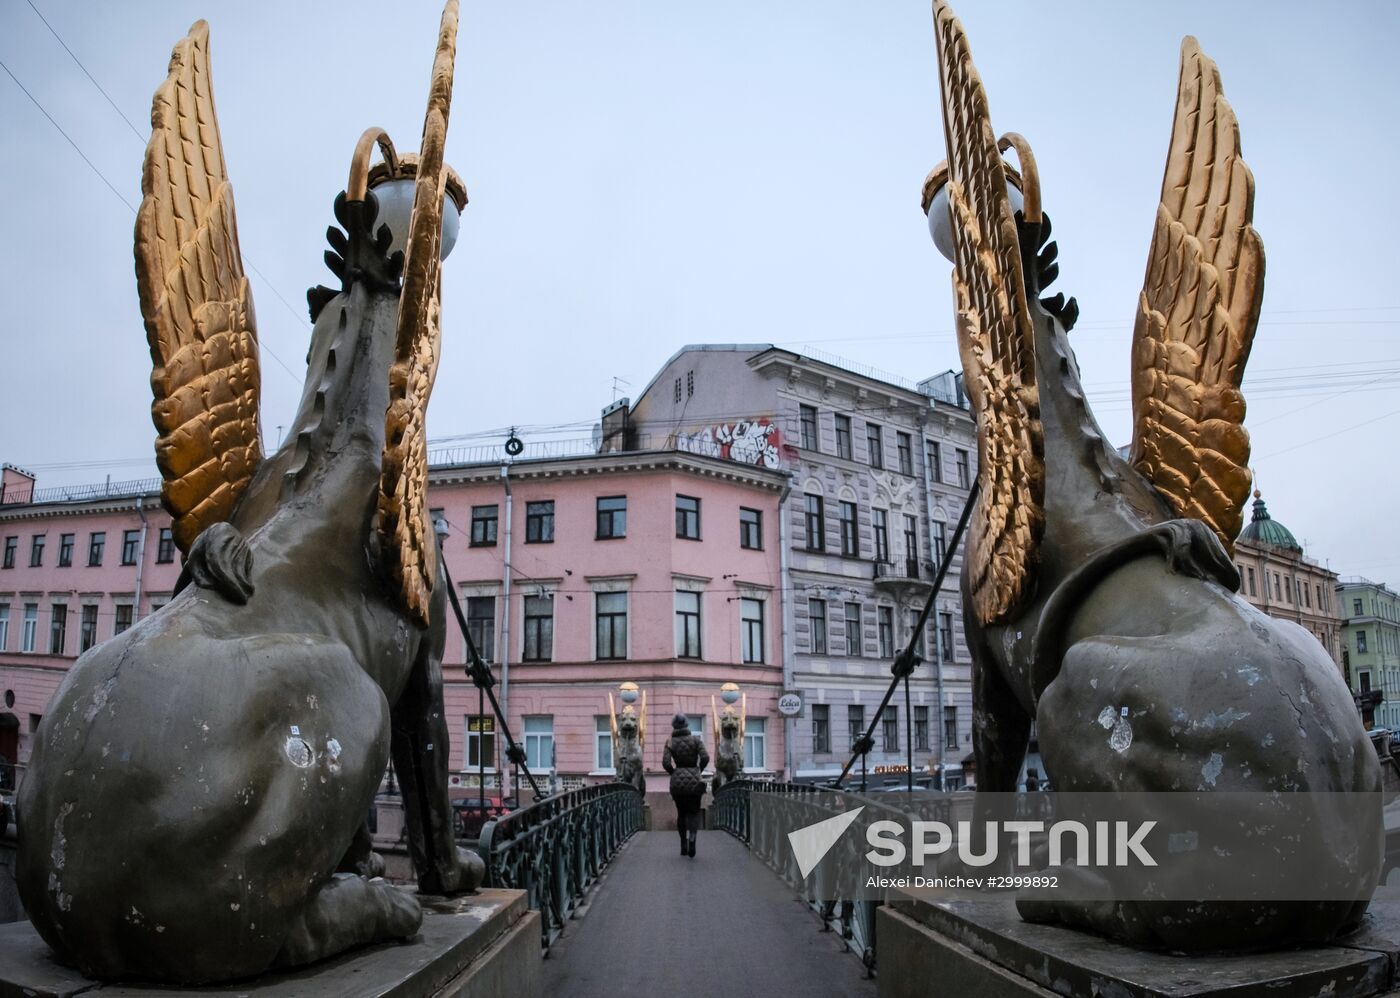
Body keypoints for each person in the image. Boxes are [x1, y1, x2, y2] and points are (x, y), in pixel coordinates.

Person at [662, 713, 709, 858]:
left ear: (674, 726)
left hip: (678, 785)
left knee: (681, 814)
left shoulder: (670, 742)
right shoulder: (696, 740)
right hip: (695, 781)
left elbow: (666, 763)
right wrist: (698, 770)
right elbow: (705, 757)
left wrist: (674, 773)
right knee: (694, 812)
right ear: (687, 725)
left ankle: (683, 843)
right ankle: (693, 837)